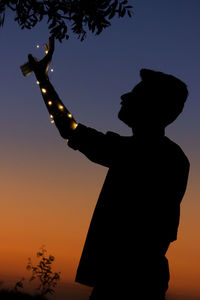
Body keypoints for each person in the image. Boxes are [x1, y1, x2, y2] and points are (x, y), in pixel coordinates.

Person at [24, 37, 190, 300]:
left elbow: (70, 130)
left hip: (126, 284)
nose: (125, 96)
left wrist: (43, 80)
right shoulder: (169, 157)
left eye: (135, 94)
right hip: (141, 280)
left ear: (152, 107)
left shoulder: (140, 153)